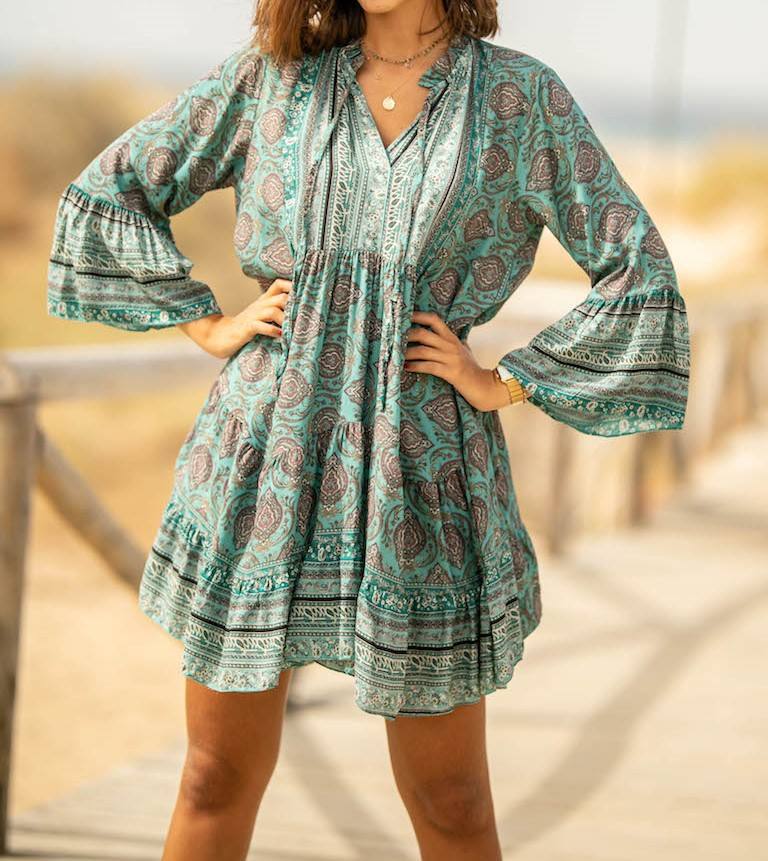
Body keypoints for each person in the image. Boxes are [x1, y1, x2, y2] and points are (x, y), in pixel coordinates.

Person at [46, 0, 690, 858]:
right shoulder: (272, 80)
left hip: (421, 476)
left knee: (452, 800)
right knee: (212, 777)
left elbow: (638, 268)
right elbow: (112, 188)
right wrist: (205, 321)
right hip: (266, 463)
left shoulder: (521, 99)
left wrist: (506, 381)